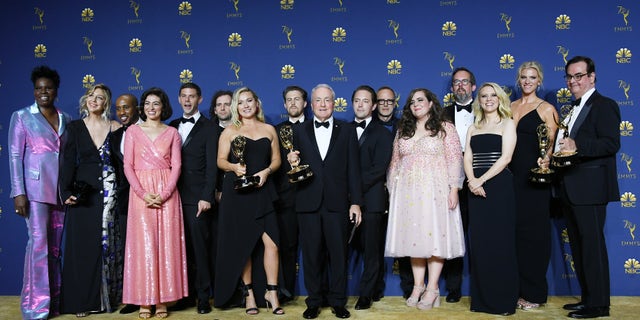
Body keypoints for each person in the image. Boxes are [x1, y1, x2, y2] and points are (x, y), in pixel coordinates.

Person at [286, 83, 363, 319]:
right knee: (311, 255)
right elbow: (295, 167)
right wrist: (291, 160)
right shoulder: (299, 131)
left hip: (337, 203)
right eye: (318, 100)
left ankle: (338, 301)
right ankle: (314, 301)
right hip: (307, 202)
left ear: (334, 102)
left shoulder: (347, 130)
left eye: (327, 100)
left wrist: (356, 202)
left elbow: (354, 170)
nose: (322, 104)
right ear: (311, 103)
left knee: (338, 255)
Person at [385, 88, 465, 311]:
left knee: (435, 239)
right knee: (414, 239)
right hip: (408, 194)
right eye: (411, 102)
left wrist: (454, 189)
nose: (416, 104)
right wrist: (393, 191)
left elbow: (454, 160)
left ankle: (433, 288)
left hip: (435, 192)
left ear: (431, 103)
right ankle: (418, 286)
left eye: (420, 100)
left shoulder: (445, 128)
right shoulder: (403, 129)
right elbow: (394, 162)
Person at [555, 56, 620, 319]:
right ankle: (588, 298)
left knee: (592, 246)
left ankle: (599, 305)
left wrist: (578, 146)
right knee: (580, 247)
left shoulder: (605, 105)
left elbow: (610, 144)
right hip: (570, 187)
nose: (573, 81)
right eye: (569, 77)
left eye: (579, 76)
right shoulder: (572, 109)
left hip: (591, 189)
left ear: (592, 77)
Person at [214, 87, 284, 315]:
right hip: (239, 194)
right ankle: (249, 294)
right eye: (241, 102)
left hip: (263, 192)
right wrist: (234, 167)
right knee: (243, 245)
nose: (246, 105)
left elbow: (277, 161)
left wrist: (266, 172)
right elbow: (220, 161)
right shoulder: (230, 131)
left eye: (249, 100)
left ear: (257, 103)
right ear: (236, 106)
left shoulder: (269, 129)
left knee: (272, 243)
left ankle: (272, 292)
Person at [9, 65, 71, 320]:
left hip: (60, 192)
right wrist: (18, 192)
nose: (43, 92)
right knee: (39, 247)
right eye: (38, 88)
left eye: (48, 88)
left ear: (56, 90)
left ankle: (54, 303)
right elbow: (14, 156)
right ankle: (35, 307)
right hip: (34, 192)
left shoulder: (65, 117)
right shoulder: (22, 116)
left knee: (55, 249)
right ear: (34, 91)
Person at [122, 87, 188, 319]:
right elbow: (127, 165)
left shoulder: (172, 133)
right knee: (144, 246)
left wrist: (166, 192)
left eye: (156, 104)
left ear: (164, 107)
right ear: (142, 107)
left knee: (165, 245)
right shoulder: (132, 131)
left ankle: (162, 300)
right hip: (140, 193)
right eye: (147, 103)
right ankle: (144, 300)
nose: (151, 108)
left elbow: (177, 166)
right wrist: (141, 192)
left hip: (166, 193)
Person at [59, 83, 123, 317]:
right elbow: (67, 162)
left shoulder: (115, 127)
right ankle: (82, 302)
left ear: (106, 103)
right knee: (82, 247)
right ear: (86, 100)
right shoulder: (74, 127)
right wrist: (66, 192)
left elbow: (122, 163)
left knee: (106, 246)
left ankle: (107, 300)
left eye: (100, 97)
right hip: (83, 193)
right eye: (91, 96)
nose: (94, 100)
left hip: (110, 193)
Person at [463, 82, 518, 315]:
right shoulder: (473, 127)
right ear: (479, 100)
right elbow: (467, 157)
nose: (488, 99)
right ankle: (482, 301)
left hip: (498, 187)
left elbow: (506, 158)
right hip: (475, 189)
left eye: (493, 95)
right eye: (484, 95)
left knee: (501, 243)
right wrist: (472, 180)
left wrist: (480, 180)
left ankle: (503, 302)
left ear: (500, 99)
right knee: (481, 245)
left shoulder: (508, 123)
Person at [509, 61, 559, 310]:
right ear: (519, 80)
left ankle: (534, 293)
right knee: (513, 236)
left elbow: (553, 143)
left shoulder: (546, 108)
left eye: (532, 77)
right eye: (524, 77)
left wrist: (546, 158)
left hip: (534, 180)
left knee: (534, 237)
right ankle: (514, 289)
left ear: (539, 80)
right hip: (509, 179)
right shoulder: (508, 107)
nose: (527, 81)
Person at [168, 82, 219, 314]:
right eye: (183, 96)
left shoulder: (210, 128)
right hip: (173, 197)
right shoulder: (171, 126)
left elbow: (212, 168)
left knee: (200, 248)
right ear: (178, 99)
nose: (187, 100)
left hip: (197, 198)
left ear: (199, 99)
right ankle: (183, 295)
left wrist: (206, 196)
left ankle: (203, 296)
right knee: (179, 249)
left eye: (192, 97)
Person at [350, 85, 393, 310]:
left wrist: (353, 187)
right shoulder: (344, 130)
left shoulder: (383, 133)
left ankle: (366, 294)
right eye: (357, 100)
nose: (360, 105)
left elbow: (379, 169)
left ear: (374, 106)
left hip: (373, 200)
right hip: (345, 201)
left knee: (371, 249)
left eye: (365, 101)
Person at [441, 67, 477, 303]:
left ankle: (484, 286)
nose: (461, 86)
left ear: (473, 86)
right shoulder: (441, 114)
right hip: (451, 182)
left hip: (482, 179)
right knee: (453, 234)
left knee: (484, 234)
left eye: (465, 82)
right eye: (456, 83)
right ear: (452, 88)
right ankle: (454, 288)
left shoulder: (487, 109)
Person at [273, 85, 309, 303]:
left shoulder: (317, 127)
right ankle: (285, 291)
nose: (293, 103)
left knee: (316, 247)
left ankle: (317, 292)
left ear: (305, 103)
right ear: (285, 104)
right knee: (286, 247)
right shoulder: (275, 130)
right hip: (285, 198)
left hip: (312, 196)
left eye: (297, 99)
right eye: (289, 99)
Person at [110, 93, 142, 315]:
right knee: (129, 249)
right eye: (118, 108)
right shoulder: (114, 137)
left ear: (137, 109)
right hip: (124, 199)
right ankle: (133, 297)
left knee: (150, 247)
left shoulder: (151, 130)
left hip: (149, 197)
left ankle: (156, 295)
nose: (122, 112)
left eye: (126, 108)